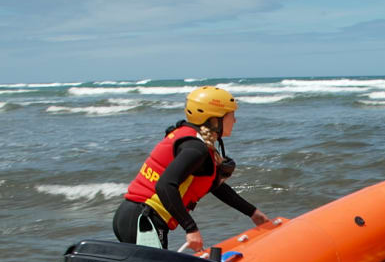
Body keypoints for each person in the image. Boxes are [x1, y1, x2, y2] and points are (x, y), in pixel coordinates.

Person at [114, 86, 270, 252]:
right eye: (231, 116)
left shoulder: (192, 140)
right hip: (143, 221)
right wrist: (191, 229)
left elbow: (215, 186)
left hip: (134, 217)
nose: (235, 121)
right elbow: (165, 185)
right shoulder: (195, 148)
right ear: (215, 120)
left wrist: (253, 213)